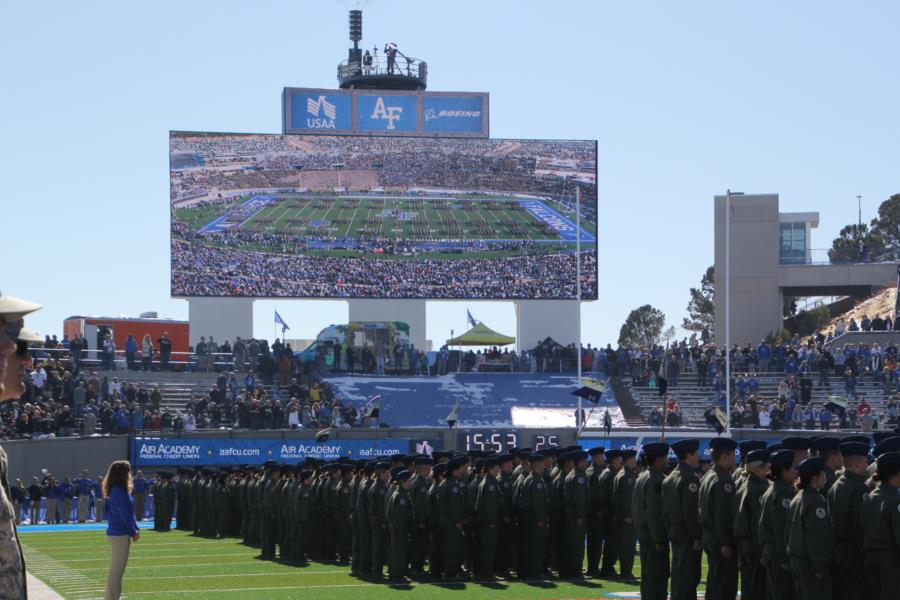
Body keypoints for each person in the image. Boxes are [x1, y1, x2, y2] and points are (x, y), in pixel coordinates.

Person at [827, 441, 871, 600]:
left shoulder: (835, 485)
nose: (867, 464)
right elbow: (861, 524)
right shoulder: (859, 488)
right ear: (858, 463)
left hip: (838, 549)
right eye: (865, 461)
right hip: (855, 551)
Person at [786, 457, 834, 600]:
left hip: (798, 561)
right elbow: (815, 537)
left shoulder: (798, 497)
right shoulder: (815, 501)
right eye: (822, 474)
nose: (825, 478)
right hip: (811, 565)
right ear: (814, 478)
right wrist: (820, 567)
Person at [698, 437, 738, 600]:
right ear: (724, 457)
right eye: (733, 455)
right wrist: (726, 543)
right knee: (724, 586)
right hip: (720, 541)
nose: (735, 459)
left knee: (714, 584)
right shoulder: (723, 481)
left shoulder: (708, 476)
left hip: (710, 537)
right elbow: (722, 516)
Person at [662, 439, 702, 600]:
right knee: (689, 577)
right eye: (696, 453)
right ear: (689, 455)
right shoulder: (689, 478)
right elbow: (691, 513)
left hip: (675, 531)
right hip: (687, 535)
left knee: (678, 575)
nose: (698, 456)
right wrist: (697, 536)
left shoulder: (670, 477)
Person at [860, 451, 900, 599]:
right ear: (894, 475)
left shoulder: (871, 496)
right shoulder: (895, 500)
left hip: (871, 557)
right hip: (889, 561)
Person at [759, 449, 797, 600]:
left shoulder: (773, 489)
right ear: (784, 470)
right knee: (782, 593)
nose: (796, 472)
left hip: (772, 552)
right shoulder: (783, 493)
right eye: (793, 468)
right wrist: (784, 559)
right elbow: (781, 529)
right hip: (778, 555)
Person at [632, 442, 669, 600]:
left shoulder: (642, 477)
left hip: (643, 533)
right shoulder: (655, 480)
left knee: (647, 576)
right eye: (665, 458)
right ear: (658, 460)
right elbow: (654, 512)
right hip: (654, 536)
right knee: (657, 577)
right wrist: (659, 539)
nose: (667, 461)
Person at [102, 460, 140, 600]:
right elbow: (124, 515)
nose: (130, 474)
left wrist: (135, 528)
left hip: (118, 533)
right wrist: (133, 531)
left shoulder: (118, 490)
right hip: (120, 534)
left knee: (116, 570)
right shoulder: (118, 491)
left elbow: (129, 514)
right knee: (117, 570)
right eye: (128, 471)